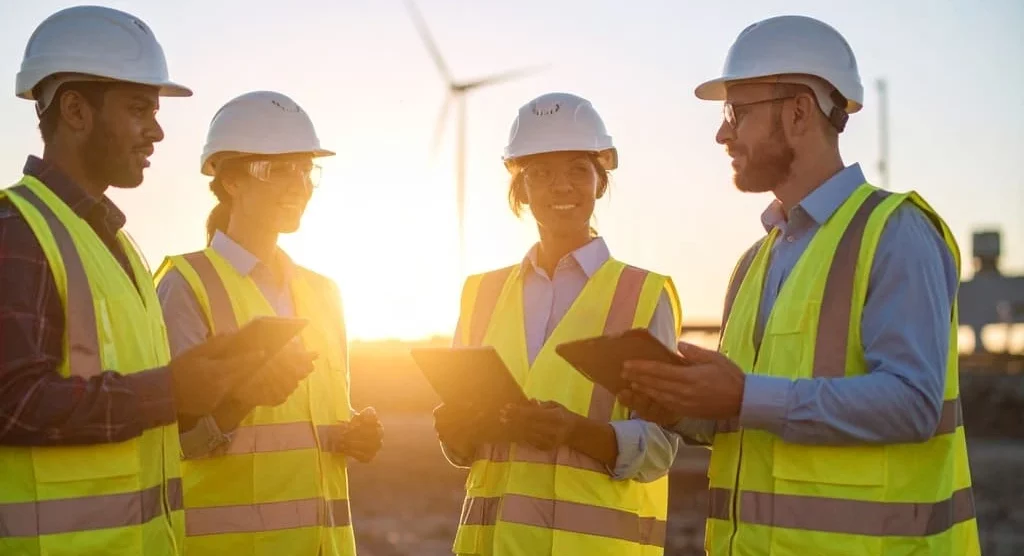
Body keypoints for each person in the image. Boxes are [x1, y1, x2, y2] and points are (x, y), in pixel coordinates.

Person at [619, 15, 981, 555]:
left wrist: (744, 396)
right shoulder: (753, 263)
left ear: (799, 111)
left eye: (736, 112)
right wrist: (680, 405)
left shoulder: (895, 233)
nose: (722, 133)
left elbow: (913, 404)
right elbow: (749, 416)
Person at [0, 7, 284, 556]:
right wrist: (171, 388)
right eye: (138, 109)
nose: (156, 131)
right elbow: (12, 402)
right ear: (75, 110)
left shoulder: (120, 248)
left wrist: (222, 392)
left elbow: (137, 426)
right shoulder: (18, 233)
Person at [433, 92, 683, 556]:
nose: (560, 187)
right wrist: (454, 427)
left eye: (577, 170)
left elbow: (662, 446)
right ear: (520, 189)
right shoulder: (479, 294)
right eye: (541, 173)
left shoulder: (643, 294)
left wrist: (577, 433)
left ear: (600, 183)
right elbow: (462, 444)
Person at [154, 90, 382, 556]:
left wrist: (351, 435)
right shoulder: (186, 286)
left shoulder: (323, 292)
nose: (299, 184)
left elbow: (306, 431)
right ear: (230, 180)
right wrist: (242, 399)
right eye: (279, 169)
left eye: (304, 169)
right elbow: (172, 442)